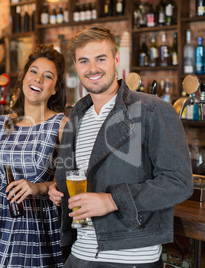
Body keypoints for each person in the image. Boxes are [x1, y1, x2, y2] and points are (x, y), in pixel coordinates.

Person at [49, 25, 193, 267]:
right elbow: (85, 176)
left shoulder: (151, 109)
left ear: (116, 59)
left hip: (132, 259)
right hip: (79, 256)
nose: (92, 68)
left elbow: (178, 182)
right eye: (83, 61)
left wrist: (112, 200)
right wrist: (58, 190)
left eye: (101, 58)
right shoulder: (76, 116)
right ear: (76, 65)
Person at [0, 44, 69, 268]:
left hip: (34, 228)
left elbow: (74, 178)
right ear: (23, 79)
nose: (38, 79)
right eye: (34, 71)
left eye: (47, 76)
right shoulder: (0, 124)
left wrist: (38, 187)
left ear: (55, 89)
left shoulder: (61, 125)